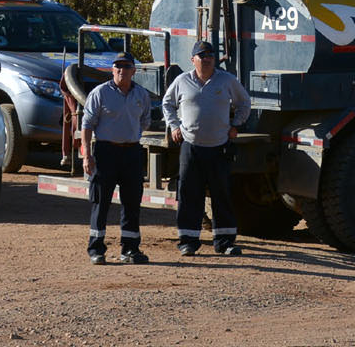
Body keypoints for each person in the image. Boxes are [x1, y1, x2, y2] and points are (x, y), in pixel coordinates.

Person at [161, 40, 253, 256]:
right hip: (191, 147)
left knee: (222, 194)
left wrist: (236, 124)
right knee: (189, 195)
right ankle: (188, 242)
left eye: (210, 55)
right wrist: (174, 126)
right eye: (202, 55)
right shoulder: (182, 81)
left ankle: (225, 242)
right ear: (193, 59)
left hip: (219, 147)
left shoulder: (227, 80)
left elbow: (245, 102)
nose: (207, 59)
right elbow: (167, 104)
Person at [80, 52, 154, 265]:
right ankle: (96, 249)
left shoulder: (141, 94)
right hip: (106, 152)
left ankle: (130, 249)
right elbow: (87, 125)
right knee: (101, 201)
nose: (122, 70)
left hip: (132, 152)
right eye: (117, 67)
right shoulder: (100, 93)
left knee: (132, 202)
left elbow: (145, 121)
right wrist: (87, 155)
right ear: (112, 70)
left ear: (134, 70)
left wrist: (129, 136)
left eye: (126, 66)